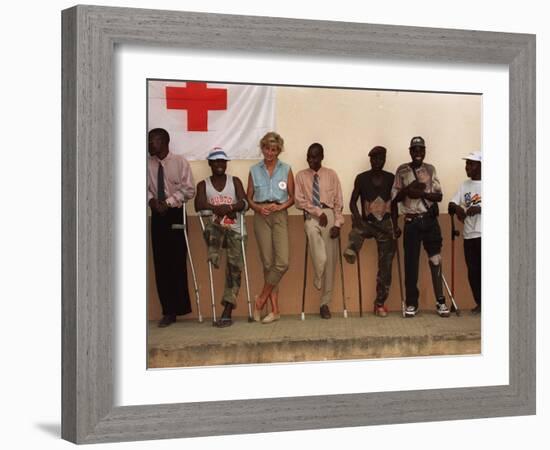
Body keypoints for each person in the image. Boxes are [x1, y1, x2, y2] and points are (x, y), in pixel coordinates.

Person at [391, 136, 450, 318]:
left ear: (424, 151)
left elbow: (439, 197)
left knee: (435, 260)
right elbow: (394, 198)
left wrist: (421, 192)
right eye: (415, 150)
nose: (418, 153)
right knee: (411, 264)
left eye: (421, 149)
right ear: (410, 151)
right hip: (411, 222)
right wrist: (408, 191)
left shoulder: (430, 169)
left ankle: (440, 301)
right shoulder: (402, 170)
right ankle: (411, 303)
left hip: (429, 221)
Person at [194, 148, 248, 327]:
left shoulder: (235, 181)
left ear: (226, 164)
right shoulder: (203, 184)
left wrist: (231, 208)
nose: (219, 164)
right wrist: (217, 208)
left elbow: (244, 202)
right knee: (213, 227)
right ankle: (214, 251)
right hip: (215, 233)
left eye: (222, 161)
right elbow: (198, 204)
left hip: (234, 233)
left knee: (234, 269)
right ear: (209, 163)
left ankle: (227, 311)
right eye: (215, 161)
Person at [147, 128, 195, 327]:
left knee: (176, 261)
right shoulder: (146, 164)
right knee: (161, 262)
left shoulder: (179, 162)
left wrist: (168, 202)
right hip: (157, 215)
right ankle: (167, 311)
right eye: (149, 141)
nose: (150, 144)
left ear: (164, 141)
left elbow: (189, 189)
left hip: (175, 212)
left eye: (153, 140)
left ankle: (180, 307)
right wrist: (151, 201)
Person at [247, 132, 295, 324]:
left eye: (274, 149)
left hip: (279, 215)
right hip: (260, 216)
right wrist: (258, 208)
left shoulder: (286, 169)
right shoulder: (253, 170)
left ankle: (260, 300)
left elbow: (292, 197)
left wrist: (280, 206)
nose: (270, 152)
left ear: (278, 150)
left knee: (282, 262)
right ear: (262, 148)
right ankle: (275, 310)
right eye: (266, 148)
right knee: (268, 263)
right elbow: (248, 197)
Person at [343, 146, 396, 317]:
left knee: (386, 265)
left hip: (385, 224)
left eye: (380, 159)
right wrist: (357, 215)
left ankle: (379, 303)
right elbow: (352, 202)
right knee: (356, 229)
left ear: (385, 160)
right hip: (367, 222)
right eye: (374, 159)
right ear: (370, 160)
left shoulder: (391, 178)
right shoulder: (362, 178)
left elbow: (395, 204)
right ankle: (352, 248)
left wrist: (396, 225)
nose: (377, 162)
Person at [295, 143, 344, 319]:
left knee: (331, 261)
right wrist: (317, 212)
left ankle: (325, 303)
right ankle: (318, 270)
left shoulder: (331, 175)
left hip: (329, 214)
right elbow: (299, 201)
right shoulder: (301, 176)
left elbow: (339, 202)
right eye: (308, 156)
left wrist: (337, 224)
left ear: (322, 156)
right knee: (309, 228)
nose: (310, 160)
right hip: (312, 214)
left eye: (314, 157)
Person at [448, 151, 482, 314]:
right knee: (473, 271)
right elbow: (452, 202)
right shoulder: (464, 185)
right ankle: (480, 303)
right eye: (467, 164)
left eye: (471, 164)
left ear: (480, 166)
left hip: (484, 235)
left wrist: (480, 208)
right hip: (469, 235)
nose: (467, 167)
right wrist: (457, 208)